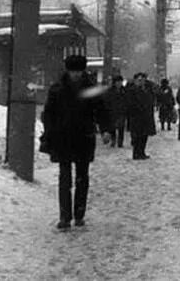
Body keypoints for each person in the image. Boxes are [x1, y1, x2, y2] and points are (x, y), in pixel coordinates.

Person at [41, 54, 111, 229]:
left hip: (83, 137)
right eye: (73, 71)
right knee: (65, 179)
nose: (76, 74)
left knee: (82, 178)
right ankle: (65, 217)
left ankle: (79, 215)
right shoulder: (57, 89)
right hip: (63, 138)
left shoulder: (90, 88)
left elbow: (101, 110)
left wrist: (105, 130)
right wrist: (49, 131)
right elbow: (48, 113)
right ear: (68, 70)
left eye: (78, 71)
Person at [127, 72, 157, 159]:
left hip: (146, 117)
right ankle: (136, 153)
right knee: (137, 136)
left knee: (144, 136)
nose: (141, 82)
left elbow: (151, 99)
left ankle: (142, 152)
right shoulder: (132, 90)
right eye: (139, 80)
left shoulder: (147, 89)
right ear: (135, 80)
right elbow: (130, 103)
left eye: (143, 80)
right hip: (136, 117)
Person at [104, 75, 128, 147]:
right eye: (117, 82)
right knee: (112, 127)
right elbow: (107, 101)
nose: (119, 83)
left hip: (122, 111)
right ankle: (113, 140)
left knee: (121, 127)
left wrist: (125, 108)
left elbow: (127, 100)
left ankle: (120, 142)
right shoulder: (110, 91)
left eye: (120, 82)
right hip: (112, 111)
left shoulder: (124, 90)